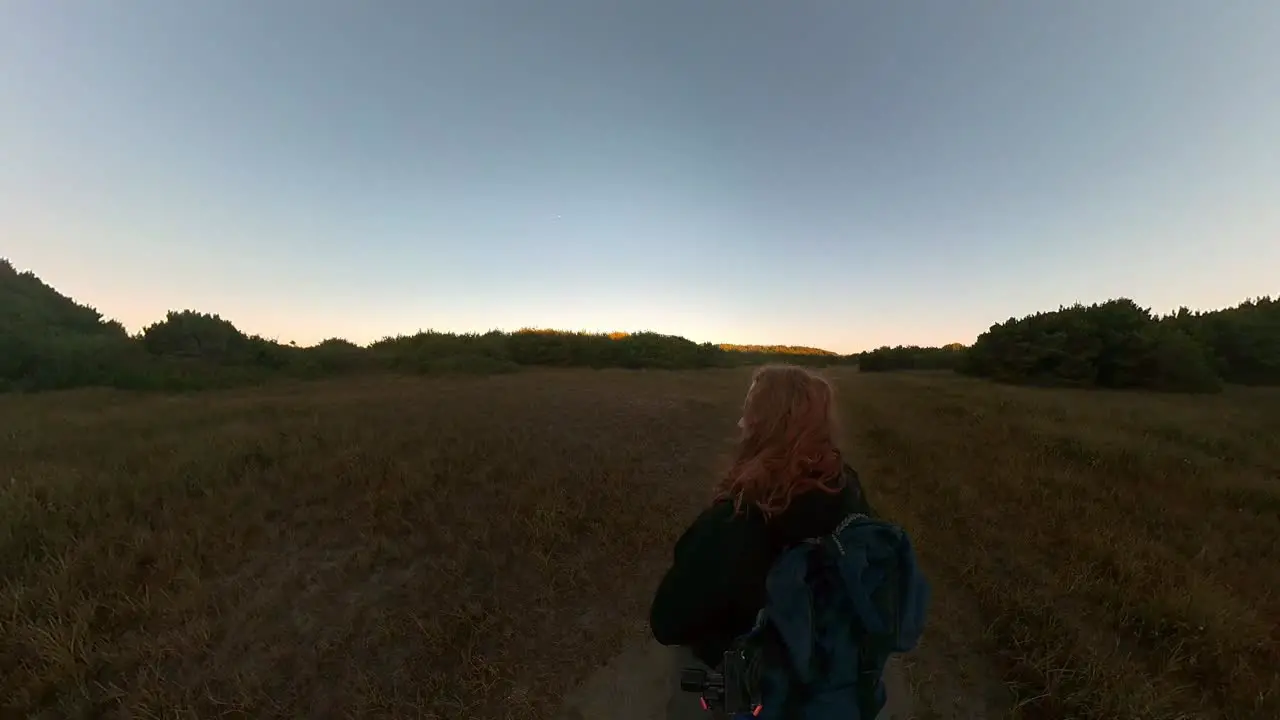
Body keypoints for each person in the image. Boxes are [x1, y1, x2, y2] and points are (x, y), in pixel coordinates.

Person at [649, 364, 925, 719]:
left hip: (756, 687)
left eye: (748, 414)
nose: (740, 424)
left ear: (764, 425)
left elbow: (667, 622)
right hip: (833, 680)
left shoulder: (738, 519)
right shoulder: (845, 486)